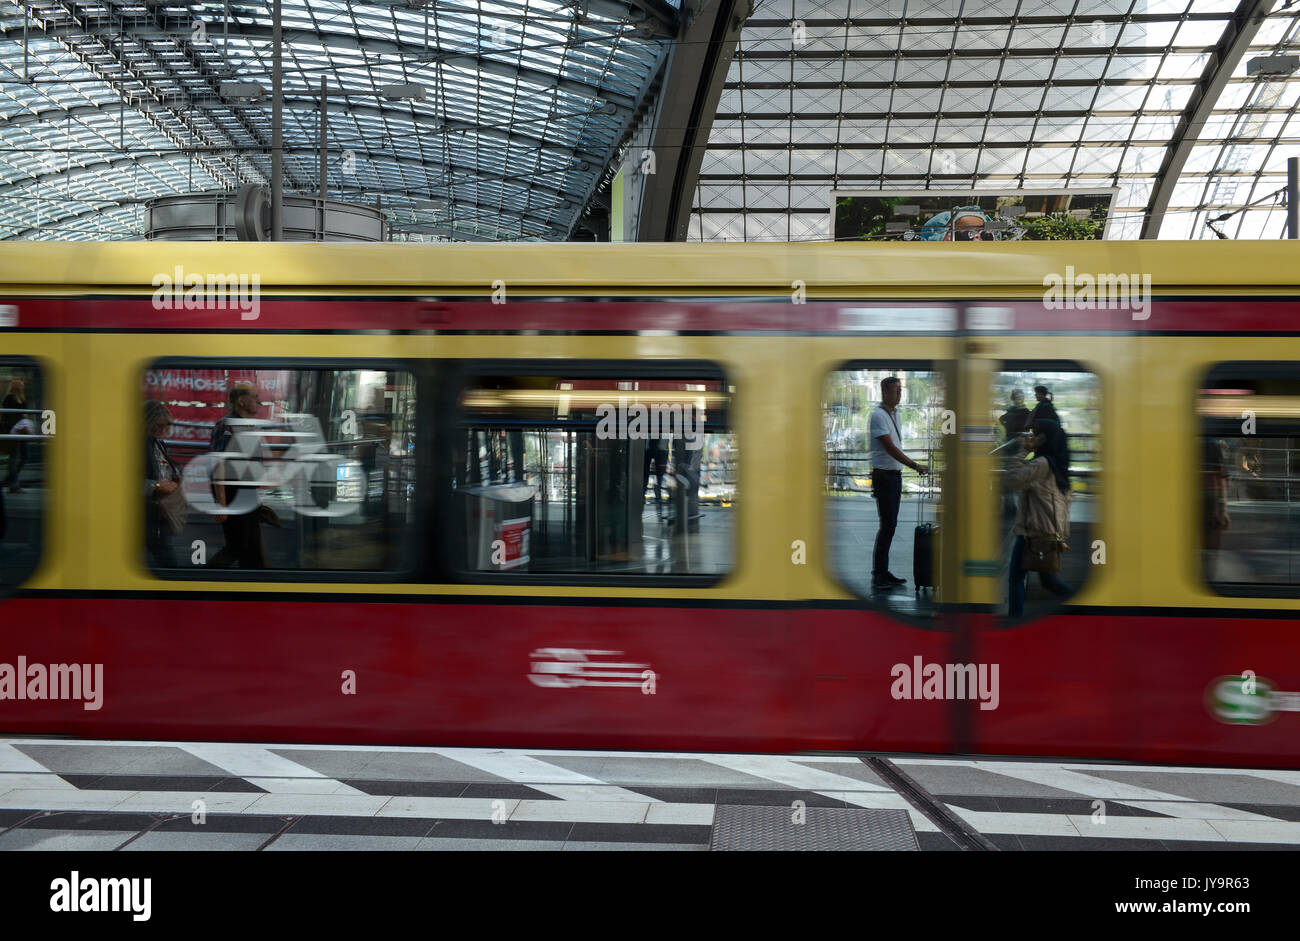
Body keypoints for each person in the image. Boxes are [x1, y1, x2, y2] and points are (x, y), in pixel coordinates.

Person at [1004, 417, 1073, 616]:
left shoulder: (1042, 464)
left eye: (1035, 434)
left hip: (1034, 532)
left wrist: (1024, 450)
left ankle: (1014, 620)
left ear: (1044, 439)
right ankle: (1082, 607)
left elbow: (1011, 480)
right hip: (1049, 532)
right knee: (1049, 581)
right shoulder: (1058, 463)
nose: (1031, 437)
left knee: (1016, 577)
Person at [869, 376, 929, 591]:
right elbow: (890, 448)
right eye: (896, 390)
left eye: (900, 390)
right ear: (884, 390)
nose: (899, 394)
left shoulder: (895, 414)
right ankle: (879, 575)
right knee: (887, 527)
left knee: (890, 527)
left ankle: (883, 572)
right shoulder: (878, 415)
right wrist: (915, 465)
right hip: (884, 476)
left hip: (893, 476)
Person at [208, 383, 270, 568]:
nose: (260, 401)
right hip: (232, 492)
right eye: (255, 396)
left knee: (251, 549)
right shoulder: (226, 426)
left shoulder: (250, 426)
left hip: (246, 492)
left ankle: (253, 587)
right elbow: (217, 464)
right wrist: (221, 502)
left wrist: (255, 496)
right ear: (242, 401)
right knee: (238, 546)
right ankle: (204, 582)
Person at [145, 400, 183, 566]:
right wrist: (157, 486)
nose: (162, 430)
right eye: (158, 426)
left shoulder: (158, 443)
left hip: (158, 510)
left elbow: (164, 468)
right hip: (146, 511)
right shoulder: (136, 444)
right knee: (167, 560)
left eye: (165, 426)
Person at [2, 378, 28, 492]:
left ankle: (9, 479)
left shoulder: (22, 398)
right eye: (20, 384)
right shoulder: (9, 398)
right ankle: (14, 485)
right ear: (15, 386)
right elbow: (9, 416)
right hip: (12, 431)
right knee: (14, 458)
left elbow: (24, 413)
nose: (22, 386)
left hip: (22, 431)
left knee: (24, 456)